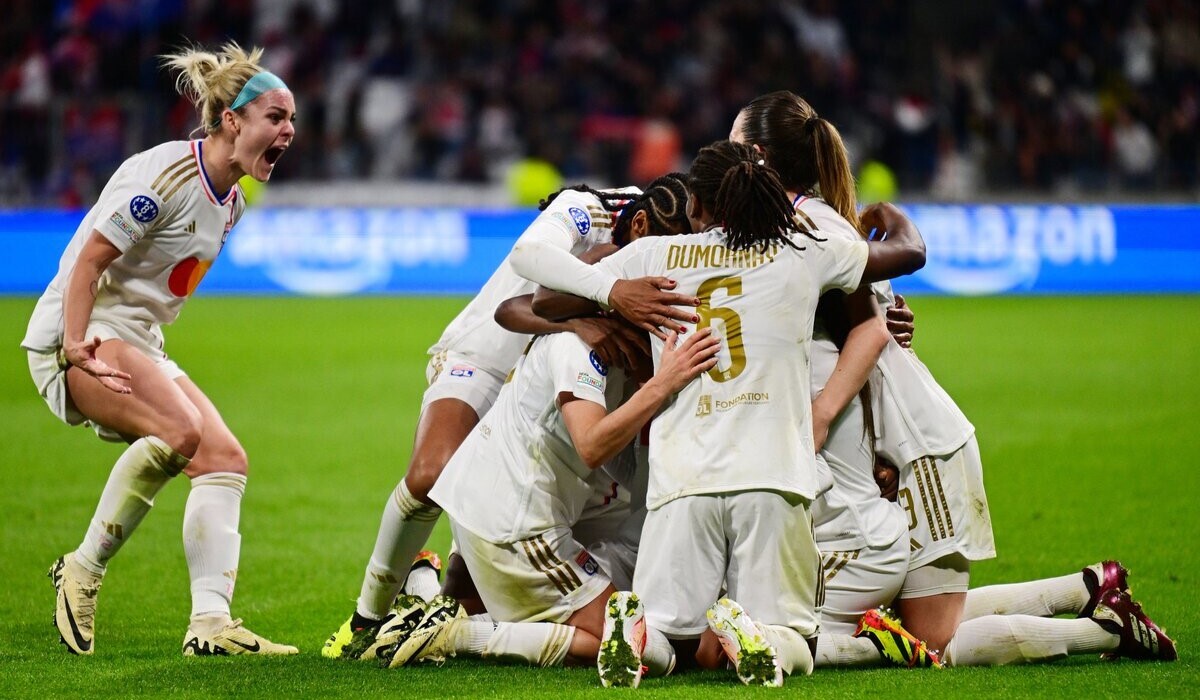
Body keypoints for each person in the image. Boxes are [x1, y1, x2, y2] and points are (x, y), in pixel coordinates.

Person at [734, 90, 1175, 666]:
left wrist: (827, 421)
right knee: (922, 621)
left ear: (761, 155)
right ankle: (1090, 588)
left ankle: (1107, 632)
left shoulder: (810, 230)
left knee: (935, 641)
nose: (723, 157)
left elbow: (870, 331)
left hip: (924, 453)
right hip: (895, 448)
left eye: (734, 145)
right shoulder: (814, 227)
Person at [535, 140, 926, 687]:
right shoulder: (805, 251)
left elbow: (544, 298)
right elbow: (910, 253)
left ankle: (640, 635)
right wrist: (887, 216)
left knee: (671, 640)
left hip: (682, 485)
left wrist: (609, 298)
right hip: (773, 480)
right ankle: (762, 637)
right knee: (797, 639)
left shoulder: (656, 258)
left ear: (696, 205)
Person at [322, 174, 701, 659]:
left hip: (556, 371)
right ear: (641, 221)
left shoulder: (663, 240)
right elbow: (522, 283)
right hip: (488, 356)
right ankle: (366, 621)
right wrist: (607, 298)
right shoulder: (591, 210)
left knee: (494, 527)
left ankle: (433, 603)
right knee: (432, 474)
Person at [22, 42, 298, 656]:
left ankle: (210, 625)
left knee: (225, 458)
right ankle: (82, 570)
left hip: (137, 340)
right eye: (276, 118)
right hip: (85, 331)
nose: (289, 131)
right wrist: (72, 346)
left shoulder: (233, 203)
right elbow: (91, 261)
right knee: (181, 433)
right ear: (233, 121)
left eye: (292, 120)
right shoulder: (165, 176)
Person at [372, 321, 718, 671]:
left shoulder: (592, 348)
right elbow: (592, 445)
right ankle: (459, 635)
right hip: (518, 530)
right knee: (642, 647)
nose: (666, 350)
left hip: (487, 508)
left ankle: (425, 590)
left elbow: (621, 467)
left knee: (635, 622)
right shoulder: (577, 349)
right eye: (661, 340)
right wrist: (662, 384)